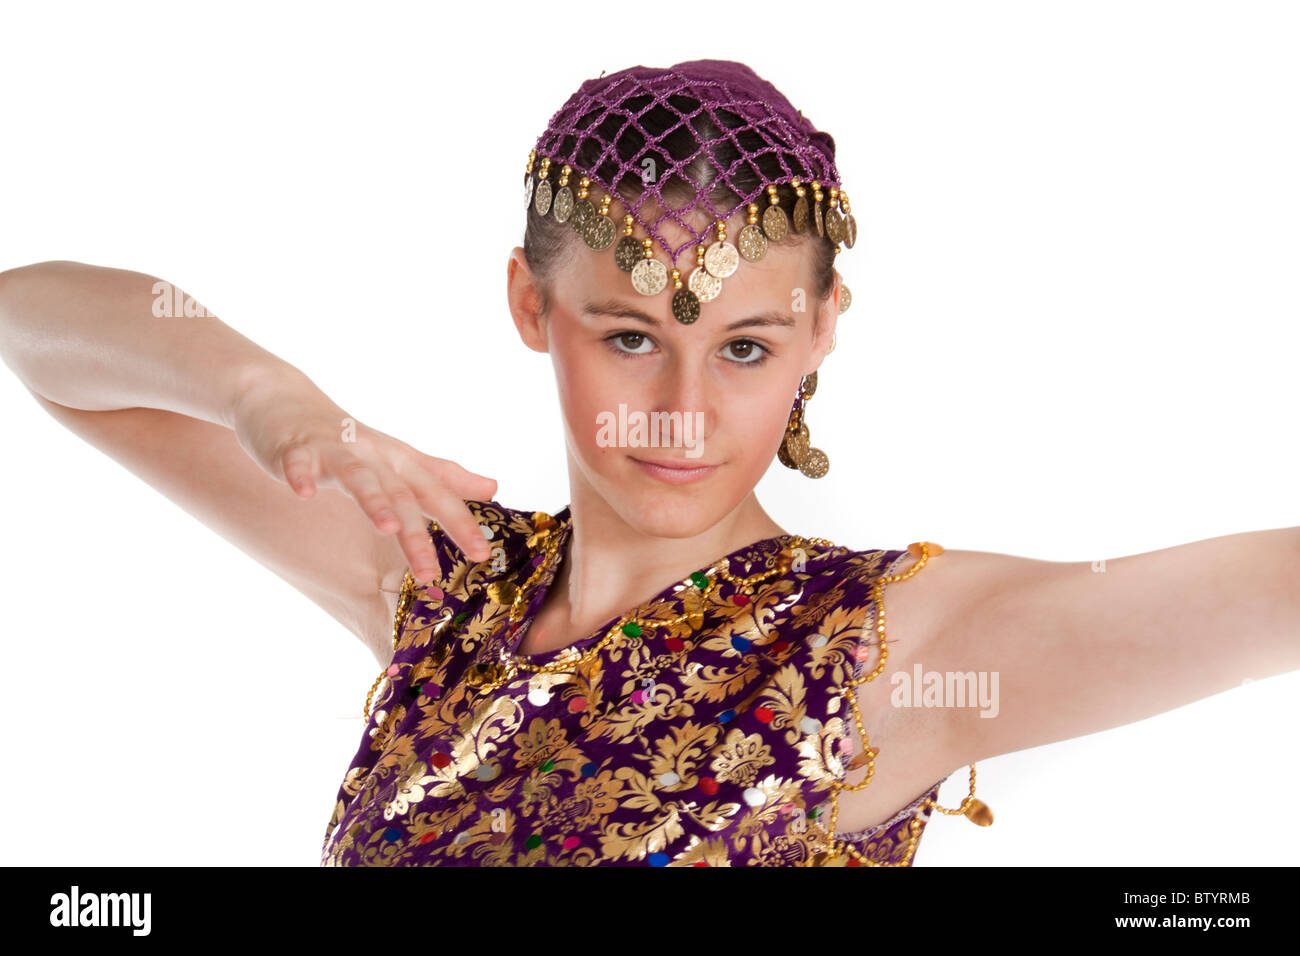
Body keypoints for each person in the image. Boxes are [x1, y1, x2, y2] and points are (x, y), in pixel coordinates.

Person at [1, 59, 1295, 867]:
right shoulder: (444, 576)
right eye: (629, 336)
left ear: (821, 330)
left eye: (743, 347)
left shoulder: (874, 648)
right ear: (529, 303)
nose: (682, 411)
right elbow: (35, 324)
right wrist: (273, 401)